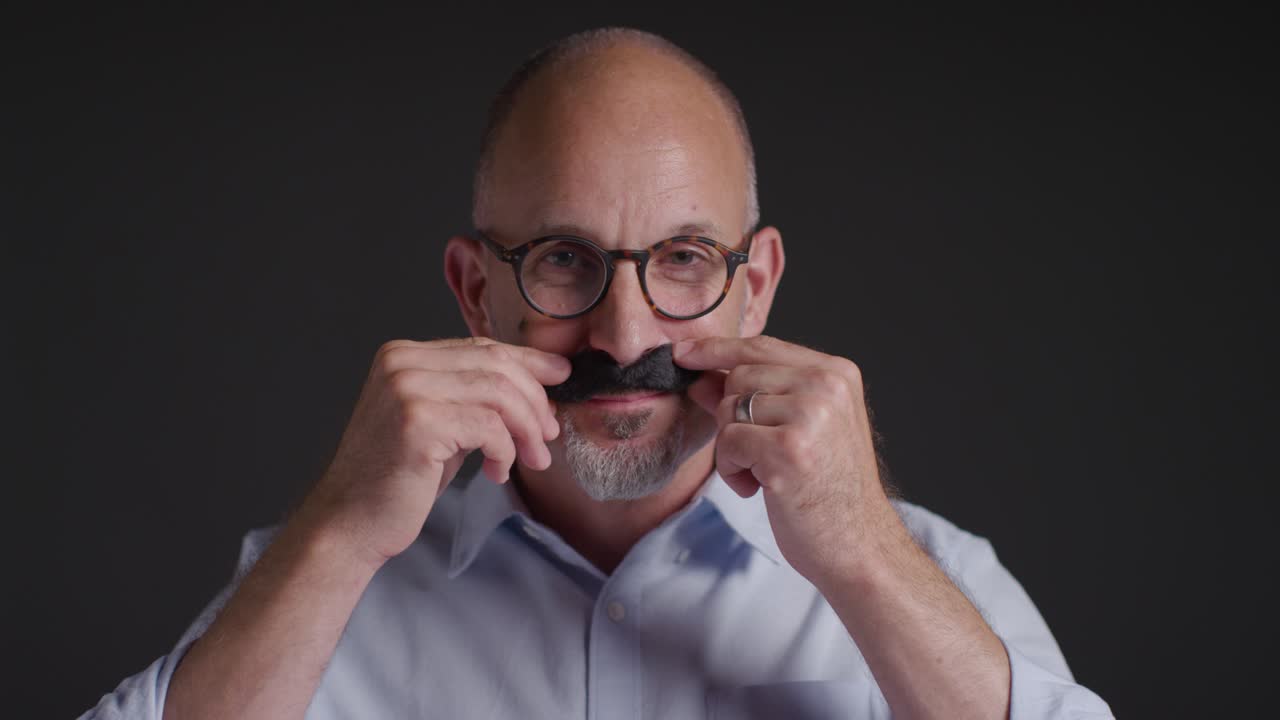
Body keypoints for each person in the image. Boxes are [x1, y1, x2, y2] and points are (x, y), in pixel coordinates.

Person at [81, 27, 1113, 720]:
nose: (623, 337)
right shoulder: (317, 583)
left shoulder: (932, 573)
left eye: (682, 259)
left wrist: (867, 565)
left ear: (752, 288)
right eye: (565, 259)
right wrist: (343, 532)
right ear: (475, 291)